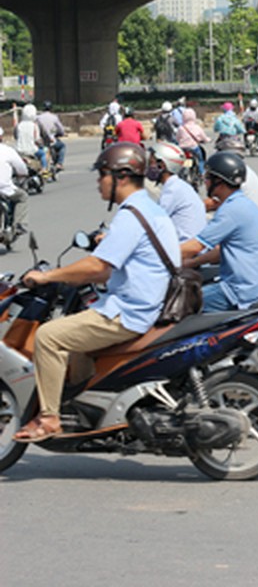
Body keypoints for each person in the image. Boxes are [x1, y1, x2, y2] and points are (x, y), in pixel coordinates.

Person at [13, 143, 177, 443]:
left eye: (102, 175)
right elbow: (107, 267)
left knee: (49, 336)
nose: (98, 182)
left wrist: (48, 276)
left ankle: (49, 418)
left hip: (129, 311)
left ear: (122, 177)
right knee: (74, 332)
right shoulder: (151, 208)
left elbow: (98, 266)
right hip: (147, 303)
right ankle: (86, 405)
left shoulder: (131, 215)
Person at [180, 151, 258, 311]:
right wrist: (192, 263)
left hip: (240, 292)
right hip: (257, 288)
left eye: (208, 177)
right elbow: (221, 252)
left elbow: (195, 246)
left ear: (219, 181)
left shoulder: (231, 210)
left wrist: (155, 256)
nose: (205, 182)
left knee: (176, 306)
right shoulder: (244, 204)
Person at [148, 141, 206, 242]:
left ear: (161, 165)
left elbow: (153, 222)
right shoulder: (178, 185)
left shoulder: (172, 190)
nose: (148, 167)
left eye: (150, 163)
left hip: (185, 249)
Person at [0, 127, 29, 233]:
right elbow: (21, 168)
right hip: (4, 188)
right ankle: (18, 224)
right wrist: (23, 174)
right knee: (23, 197)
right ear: (1, 137)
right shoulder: (7, 150)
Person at [176, 107, 209, 176]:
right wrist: (207, 140)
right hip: (194, 147)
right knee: (200, 160)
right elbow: (203, 137)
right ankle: (202, 173)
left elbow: (177, 138)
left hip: (184, 149)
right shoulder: (197, 127)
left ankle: (182, 173)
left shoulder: (181, 128)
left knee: (184, 161)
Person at [15, 103, 46, 172]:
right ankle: (44, 170)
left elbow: (16, 137)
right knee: (43, 154)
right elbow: (37, 139)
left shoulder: (19, 125)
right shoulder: (34, 126)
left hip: (19, 150)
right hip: (32, 150)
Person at [36, 101, 66, 171]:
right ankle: (59, 163)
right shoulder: (54, 117)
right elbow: (61, 129)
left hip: (41, 141)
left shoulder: (38, 118)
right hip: (52, 140)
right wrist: (62, 133)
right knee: (62, 146)